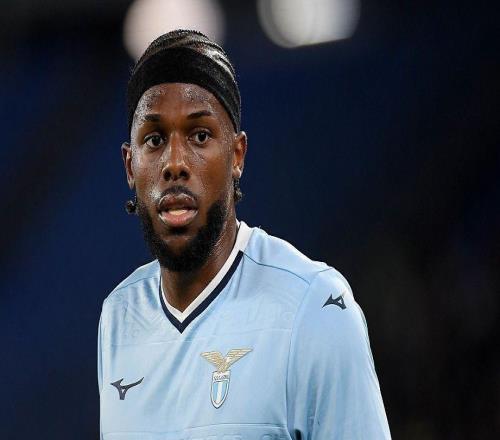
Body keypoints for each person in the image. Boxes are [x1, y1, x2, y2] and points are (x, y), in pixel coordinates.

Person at [98, 29, 391, 439]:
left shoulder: (315, 306)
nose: (175, 163)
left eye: (200, 136)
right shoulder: (119, 315)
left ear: (237, 156)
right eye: (155, 139)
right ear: (130, 166)